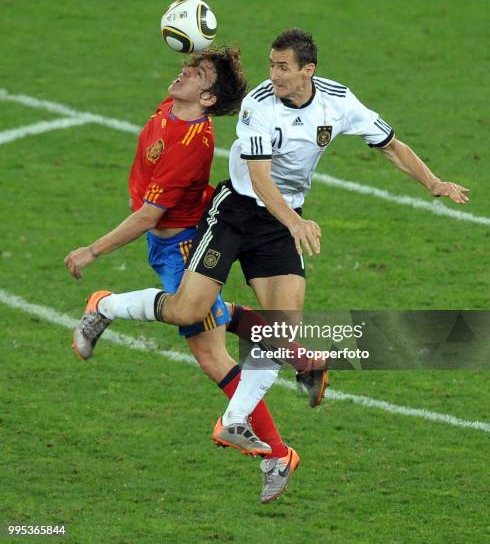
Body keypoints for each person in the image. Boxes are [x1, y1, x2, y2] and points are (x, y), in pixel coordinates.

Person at [73, 28, 470, 496]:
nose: (274, 75)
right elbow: (259, 178)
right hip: (236, 212)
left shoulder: (339, 103)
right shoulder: (258, 105)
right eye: (271, 65)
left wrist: (434, 183)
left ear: (308, 71)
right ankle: (105, 305)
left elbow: (391, 146)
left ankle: (237, 421)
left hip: (281, 223)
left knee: (281, 334)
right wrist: (295, 223)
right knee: (186, 310)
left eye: (283, 67)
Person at [65, 46, 304, 503]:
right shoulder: (171, 107)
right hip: (172, 244)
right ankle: (294, 356)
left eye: (194, 73)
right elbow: (198, 73)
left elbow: (146, 218)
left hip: (183, 248)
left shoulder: (190, 147)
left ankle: (277, 454)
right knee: (213, 317)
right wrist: (200, 49)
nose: (183, 73)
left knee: (211, 354)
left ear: (208, 98)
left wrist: (91, 250)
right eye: (186, 67)